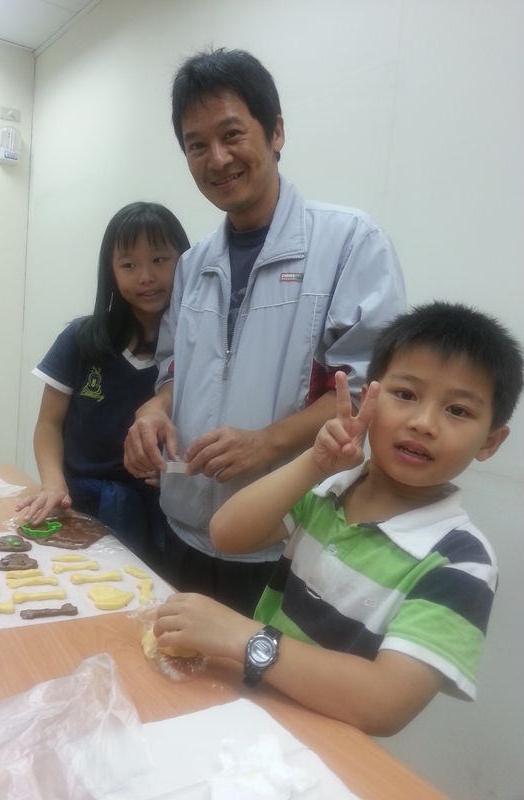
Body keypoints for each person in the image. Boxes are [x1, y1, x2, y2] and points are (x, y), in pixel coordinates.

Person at [152, 302, 523, 734]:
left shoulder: (462, 561)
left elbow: (385, 705)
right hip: (246, 712)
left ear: (490, 442)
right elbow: (226, 533)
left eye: (458, 410)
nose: (423, 423)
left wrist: (240, 636)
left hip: (320, 750)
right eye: (406, 395)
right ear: (370, 399)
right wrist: (314, 462)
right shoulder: (330, 490)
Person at [124, 47, 406, 615]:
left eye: (232, 134)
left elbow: (371, 392)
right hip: (182, 530)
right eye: (196, 145)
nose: (217, 158)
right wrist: (153, 410)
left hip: (288, 541)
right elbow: (174, 368)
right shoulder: (193, 264)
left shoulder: (349, 243)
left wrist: (268, 442)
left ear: (276, 131)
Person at [16, 202, 190, 568]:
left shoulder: (196, 350)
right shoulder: (81, 338)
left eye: (160, 260)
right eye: (128, 265)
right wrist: (52, 484)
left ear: (186, 261)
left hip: (163, 519)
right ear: (110, 272)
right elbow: (48, 425)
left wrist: (173, 475)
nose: (146, 276)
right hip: (79, 507)